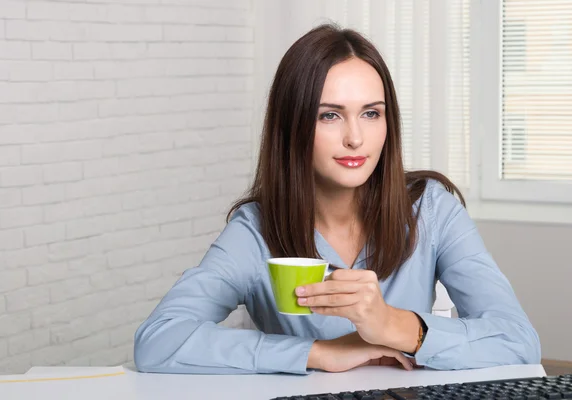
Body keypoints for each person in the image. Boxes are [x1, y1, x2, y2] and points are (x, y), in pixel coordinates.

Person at [133, 24, 540, 375]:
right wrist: (318, 353)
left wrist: (394, 326)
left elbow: (520, 341)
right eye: (329, 115)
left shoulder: (431, 208)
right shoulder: (255, 229)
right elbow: (158, 340)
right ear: (293, 126)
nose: (355, 138)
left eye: (371, 113)